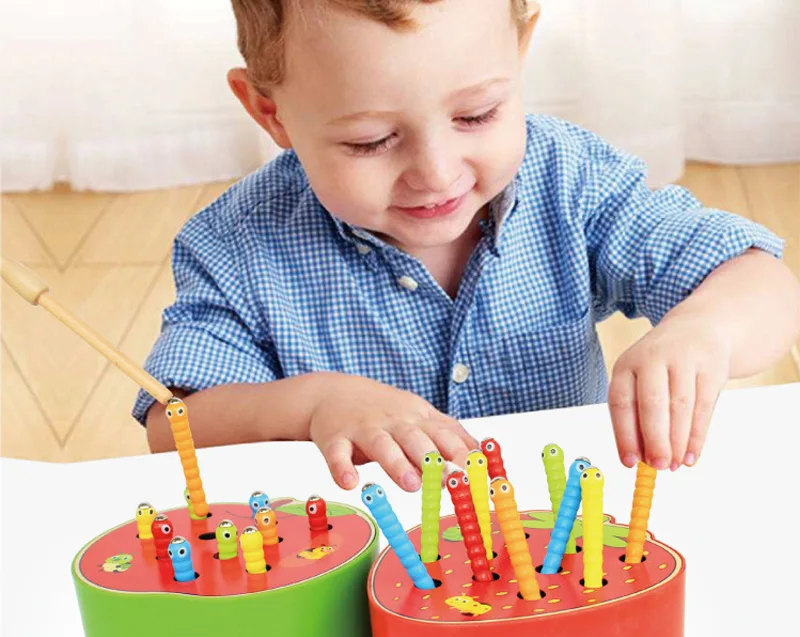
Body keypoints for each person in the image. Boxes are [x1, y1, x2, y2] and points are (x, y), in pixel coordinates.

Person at [134, 0, 800, 493]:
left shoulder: (570, 181)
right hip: (371, 562)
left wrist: (706, 331)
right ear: (269, 111)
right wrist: (314, 406)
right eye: (370, 141)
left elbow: (761, 282)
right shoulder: (236, 243)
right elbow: (174, 426)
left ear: (521, 49)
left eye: (476, 115)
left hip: (557, 544)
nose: (437, 173)